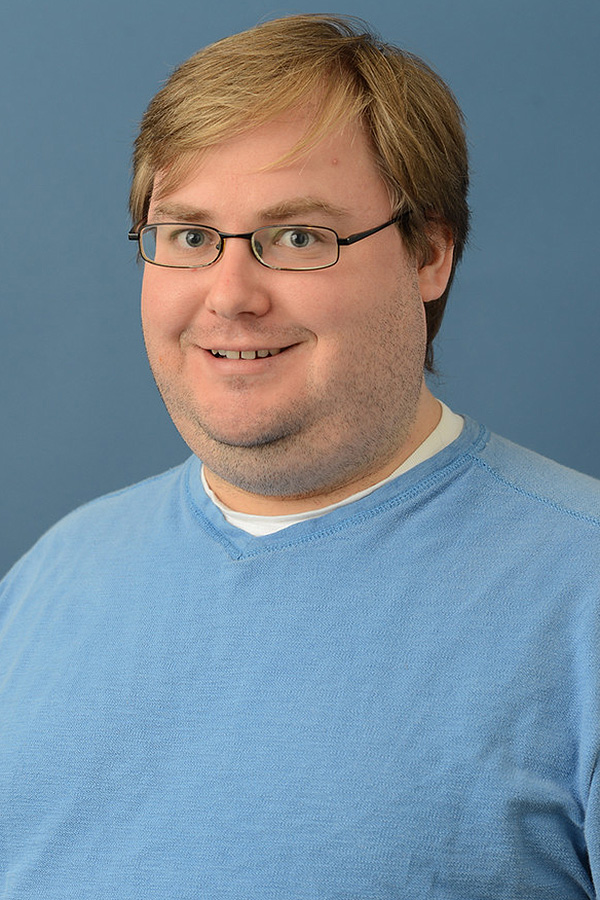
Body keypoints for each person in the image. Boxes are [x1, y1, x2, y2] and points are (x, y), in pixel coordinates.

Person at [1, 14, 598, 899]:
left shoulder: (580, 595)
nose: (230, 296)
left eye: (297, 237)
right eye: (190, 236)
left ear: (429, 255)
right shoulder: (50, 579)